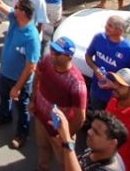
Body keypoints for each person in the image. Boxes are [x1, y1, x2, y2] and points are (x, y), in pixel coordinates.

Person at [0, 0, 42, 150]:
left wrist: (17, 87)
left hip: (19, 81)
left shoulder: (32, 37)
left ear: (23, 12)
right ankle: (4, 116)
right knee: (3, 97)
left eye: (15, 7)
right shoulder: (15, 19)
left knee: (22, 108)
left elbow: (31, 66)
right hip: (5, 74)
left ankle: (22, 133)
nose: (12, 9)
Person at [32, 36, 88, 171]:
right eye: (52, 50)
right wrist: (33, 100)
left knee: (64, 162)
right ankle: (43, 167)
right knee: (43, 147)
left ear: (69, 57)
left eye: (57, 53)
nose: (52, 54)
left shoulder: (76, 83)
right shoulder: (47, 60)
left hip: (59, 130)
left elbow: (80, 117)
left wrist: (64, 136)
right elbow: (37, 76)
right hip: (41, 119)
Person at [85, 15, 130, 112]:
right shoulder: (99, 38)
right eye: (107, 24)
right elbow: (88, 56)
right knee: (96, 116)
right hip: (96, 90)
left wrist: (114, 85)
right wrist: (95, 69)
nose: (106, 27)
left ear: (120, 31)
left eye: (110, 26)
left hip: (116, 97)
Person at [48, 109, 129, 171]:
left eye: (96, 132)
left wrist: (68, 142)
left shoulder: (110, 169)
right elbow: (68, 165)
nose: (89, 132)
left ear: (112, 143)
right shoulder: (95, 149)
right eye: (91, 128)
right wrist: (62, 147)